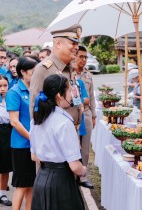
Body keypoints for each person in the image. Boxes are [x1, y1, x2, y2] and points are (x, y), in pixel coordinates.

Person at [30, 74, 86, 210]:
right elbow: (75, 166)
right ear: (60, 95)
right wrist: (83, 170)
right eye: (68, 90)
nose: (71, 93)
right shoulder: (64, 123)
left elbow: (34, 156)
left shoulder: (36, 120)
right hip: (61, 183)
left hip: (41, 179)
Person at [29, 24, 83, 128]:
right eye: (73, 43)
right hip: (54, 135)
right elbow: (35, 107)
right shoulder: (43, 69)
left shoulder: (70, 67)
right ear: (58, 44)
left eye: (77, 44)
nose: (76, 47)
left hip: (72, 129)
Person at [5, 57, 38, 210]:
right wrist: (32, 138)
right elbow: (14, 122)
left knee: (31, 184)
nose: (36, 74)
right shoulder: (14, 91)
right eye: (33, 71)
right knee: (21, 185)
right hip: (21, 145)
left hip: (33, 143)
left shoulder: (35, 90)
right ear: (23, 72)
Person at [75, 46, 96, 189]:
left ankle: (82, 177)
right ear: (74, 56)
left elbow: (92, 96)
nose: (83, 59)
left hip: (87, 113)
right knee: (72, 145)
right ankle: (72, 174)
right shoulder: (69, 74)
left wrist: (94, 115)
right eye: (80, 56)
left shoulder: (88, 75)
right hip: (73, 113)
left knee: (85, 147)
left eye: (85, 57)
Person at [0, 75, 12, 206]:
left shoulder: (11, 99)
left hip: (7, 132)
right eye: (0, 86)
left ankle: (2, 193)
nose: (2, 89)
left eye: (5, 86)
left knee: (5, 166)